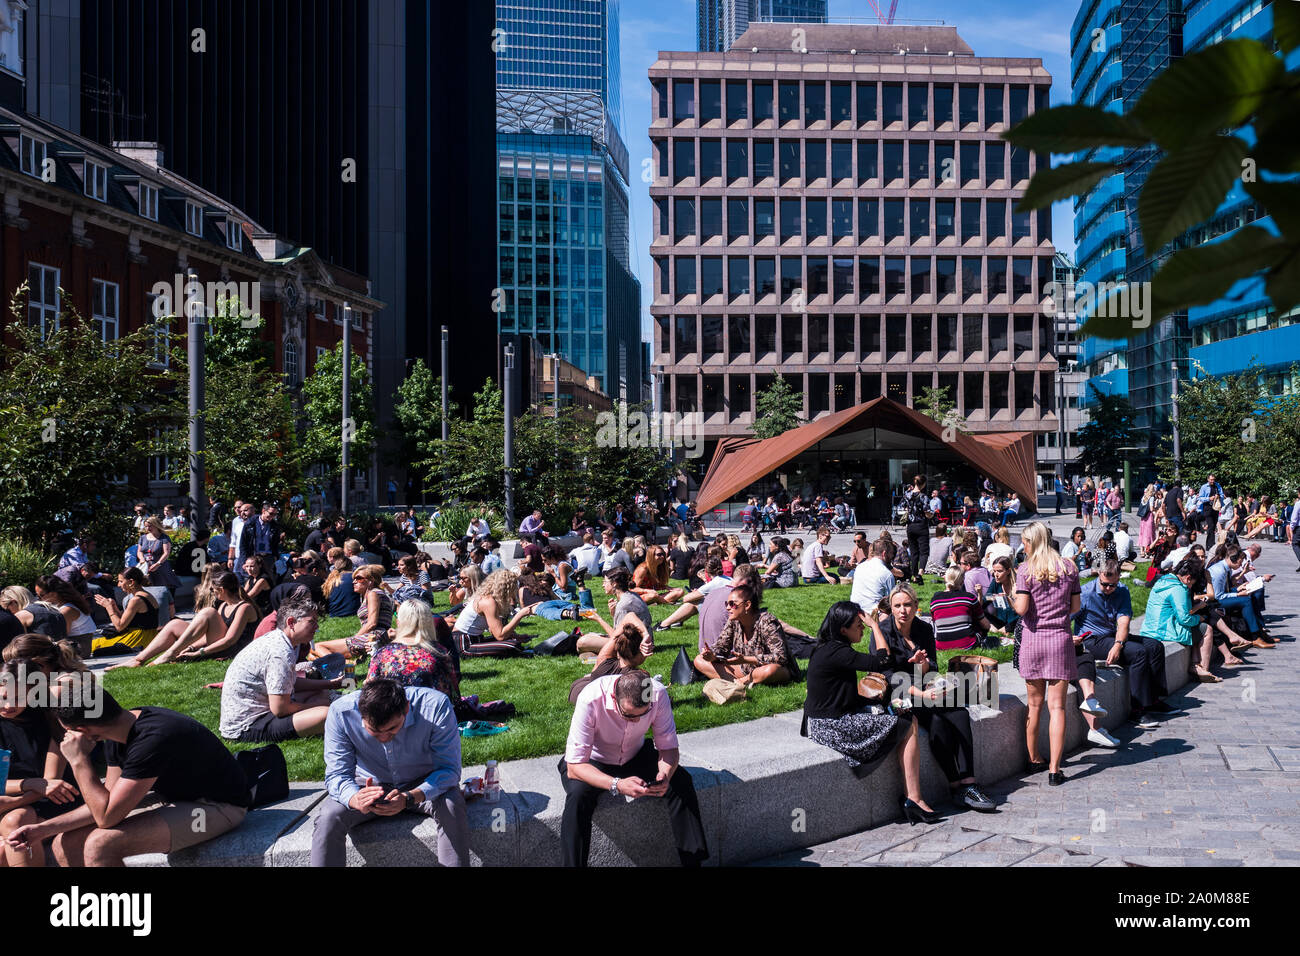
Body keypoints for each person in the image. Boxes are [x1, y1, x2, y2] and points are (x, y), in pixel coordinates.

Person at [3, 691, 250, 866]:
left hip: (216, 810)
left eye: (68, 733)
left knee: (101, 844)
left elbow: (107, 817)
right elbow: (104, 804)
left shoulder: (153, 739)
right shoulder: (118, 731)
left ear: (83, 731)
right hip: (178, 800)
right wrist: (41, 830)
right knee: (65, 843)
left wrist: (79, 761)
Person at [802, 601, 939, 823]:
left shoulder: (829, 648)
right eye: (858, 625)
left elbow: (845, 693)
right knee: (908, 721)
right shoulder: (837, 652)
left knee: (900, 711)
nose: (862, 629)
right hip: (832, 726)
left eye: (863, 625)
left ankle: (913, 798)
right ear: (843, 629)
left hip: (827, 719)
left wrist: (885, 702)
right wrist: (875, 626)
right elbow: (883, 660)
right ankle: (913, 798)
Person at [560, 669, 709, 867]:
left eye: (644, 713)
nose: (636, 721)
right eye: (628, 714)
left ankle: (693, 861)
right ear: (614, 697)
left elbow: (669, 747)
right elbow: (574, 766)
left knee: (680, 780)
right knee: (577, 797)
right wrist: (617, 784)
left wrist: (665, 773)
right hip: (593, 761)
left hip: (634, 754)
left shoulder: (657, 694)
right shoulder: (590, 698)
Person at [313, 679, 469, 867]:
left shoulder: (435, 706)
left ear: (407, 709)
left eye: (392, 729)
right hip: (368, 786)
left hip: (423, 782)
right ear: (361, 714)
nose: (384, 738)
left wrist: (410, 797)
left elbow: (449, 769)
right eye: (374, 732)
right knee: (329, 817)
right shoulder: (341, 713)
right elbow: (337, 775)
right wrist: (354, 798)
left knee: (451, 806)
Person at [867, 586, 997, 811]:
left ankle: (968, 783)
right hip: (899, 695)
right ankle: (955, 785)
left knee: (959, 713)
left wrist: (923, 665)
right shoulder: (883, 632)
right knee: (936, 721)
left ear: (916, 606)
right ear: (891, 608)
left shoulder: (924, 628)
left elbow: (932, 667)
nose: (903, 610)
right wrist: (921, 693)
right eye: (897, 606)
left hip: (924, 687)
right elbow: (886, 675)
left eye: (907, 605)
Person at [1013, 521, 1081, 787]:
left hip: (1033, 641)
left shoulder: (1025, 569)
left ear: (1032, 542)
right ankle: (1054, 769)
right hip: (1060, 641)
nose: (1023, 547)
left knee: (1034, 706)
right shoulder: (1069, 567)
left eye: (1025, 542)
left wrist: (1012, 596)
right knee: (1057, 707)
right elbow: (1075, 607)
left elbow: (1021, 609)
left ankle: (1033, 759)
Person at [220, 597, 338, 742]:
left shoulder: (280, 640)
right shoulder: (280, 652)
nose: (317, 627)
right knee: (328, 714)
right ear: (291, 622)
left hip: (260, 710)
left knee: (321, 693)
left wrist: (331, 684)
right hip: (248, 725)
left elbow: (290, 682)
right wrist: (320, 705)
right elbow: (280, 709)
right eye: (311, 621)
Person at [1075, 560, 1174, 729]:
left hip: (1111, 635)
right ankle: (1137, 710)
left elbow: (1123, 622)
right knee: (1138, 653)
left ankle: (1153, 700)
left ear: (1119, 578)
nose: (1108, 588)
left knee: (1155, 646)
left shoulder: (1122, 590)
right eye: (1104, 584)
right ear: (1099, 575)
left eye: (1112, 585)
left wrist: (1118, 644)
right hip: (1092, 640)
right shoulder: (1085, 593)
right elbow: (1065, 618)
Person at [111, 571, 257, 667]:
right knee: (174, 623)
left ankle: (169, 654)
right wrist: (190, 647)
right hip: (218, 644)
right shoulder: (224, 605)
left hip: (230, 650)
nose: (212, 592)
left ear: (222, 590)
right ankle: (138, 659)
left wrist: (198, 653)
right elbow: (212, 635)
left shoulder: (244, 607)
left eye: (213, 589)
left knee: (208, 612)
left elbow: (229, 640)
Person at [694, 584, 793, 689]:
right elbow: (722, 646)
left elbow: (780, 657)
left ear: (747, 605)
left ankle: (738, 682)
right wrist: (712, 655)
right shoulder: (734, 621)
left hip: (771, 669)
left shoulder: (767, 622)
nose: (727, 608)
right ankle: (739, 682)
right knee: (699, 660)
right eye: (727, 604)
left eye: (732, 604)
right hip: (744, 669)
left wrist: (746, 659)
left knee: (771, 670)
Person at [368, 600, 460, 700]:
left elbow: (369, 692)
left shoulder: (382, 655)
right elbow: (452, 694)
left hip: (392, 708)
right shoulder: (439, 653)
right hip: (430, 708)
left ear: (398, 622)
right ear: (429, 623)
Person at [311, 565, 394, 660]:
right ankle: (343, 664)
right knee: (313, 656)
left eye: (358, 578)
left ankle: (339, 665)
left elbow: (372, 623)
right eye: (354, 579)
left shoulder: (373, 593)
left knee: (317, 647)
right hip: (374, 636)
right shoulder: (369, 594)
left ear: (371, 581)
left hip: (375, 637)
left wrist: (354, 639)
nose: (354, 582)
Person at [88, 569, 159, 656]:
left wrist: (108, 607)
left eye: (121, 581)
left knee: (92, 645)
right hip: (148, 636)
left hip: (138, 638)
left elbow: (119, 626)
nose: (118, 585)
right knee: (94, 643)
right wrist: (114, 607)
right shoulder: (145, 595)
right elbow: (127, 620)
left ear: (131, 582)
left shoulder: (136, 600)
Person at [929, 566, 993, 652]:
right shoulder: (969, 598)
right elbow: (985, 625)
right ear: (963, 581)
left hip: (941, 644)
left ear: (945, 578)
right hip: (967, 643)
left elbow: (935, 623)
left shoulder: (935, 600)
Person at [849, 540, 895, 616]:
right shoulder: (887, 574)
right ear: (884, 553)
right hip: (874, 614)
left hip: (855, 611)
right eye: (890, 554)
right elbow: (891, 601)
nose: (892, 556)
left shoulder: (860, 567)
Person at [902, 474, 932, 585]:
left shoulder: (907, 495)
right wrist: (931, 515)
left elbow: (902, 506)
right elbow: (927, 512)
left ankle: (914, 576)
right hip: (921, 525)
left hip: (910, 526)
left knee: (914, 552)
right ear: (923, 484)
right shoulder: (924, 496)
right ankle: (920, 572)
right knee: (924, 551)